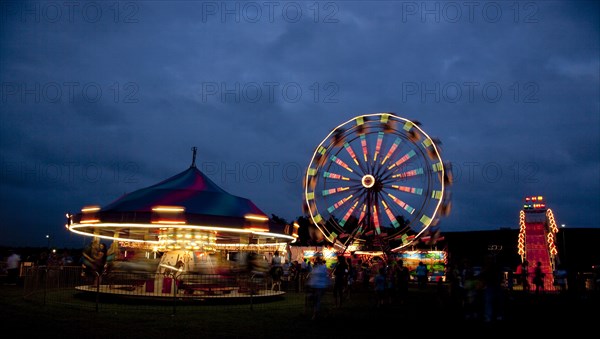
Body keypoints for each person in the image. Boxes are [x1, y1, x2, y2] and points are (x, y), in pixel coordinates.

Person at [307, 255, 330, 320]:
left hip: (320, 287)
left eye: (317, 261)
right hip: (315, 286)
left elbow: (324, 276)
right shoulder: (315, 268)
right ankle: (324, 311)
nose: (316, 262)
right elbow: (313, 277)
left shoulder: (323, 268)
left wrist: (326, 284)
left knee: (317, 300)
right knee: (315, 300)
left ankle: (315, 314)